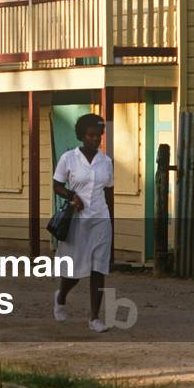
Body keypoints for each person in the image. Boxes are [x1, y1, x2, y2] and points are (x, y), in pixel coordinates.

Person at [52, 113, 114, 333]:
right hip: (77, 221)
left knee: (98, 268)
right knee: (75, 272)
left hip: (100, 220)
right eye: (90, 135)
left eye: (99, 135)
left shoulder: (106, 162)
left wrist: (112, 220)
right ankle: (61, 296)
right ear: (81, 136)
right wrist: (72, 196)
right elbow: (56, 186)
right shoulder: (68, 158)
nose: (95, 139)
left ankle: (94, 318)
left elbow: (108, 192)